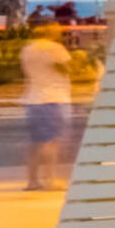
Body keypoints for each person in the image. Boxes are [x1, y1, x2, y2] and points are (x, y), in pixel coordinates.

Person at [20, 21, 74, 192]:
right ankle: (49, 179)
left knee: (35, 143)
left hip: (32, 99)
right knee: (52, 142)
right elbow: (67, 69)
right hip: (53, 98)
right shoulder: (55, 49)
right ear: (50, 30)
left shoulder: (28, 49)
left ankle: (32, 181)